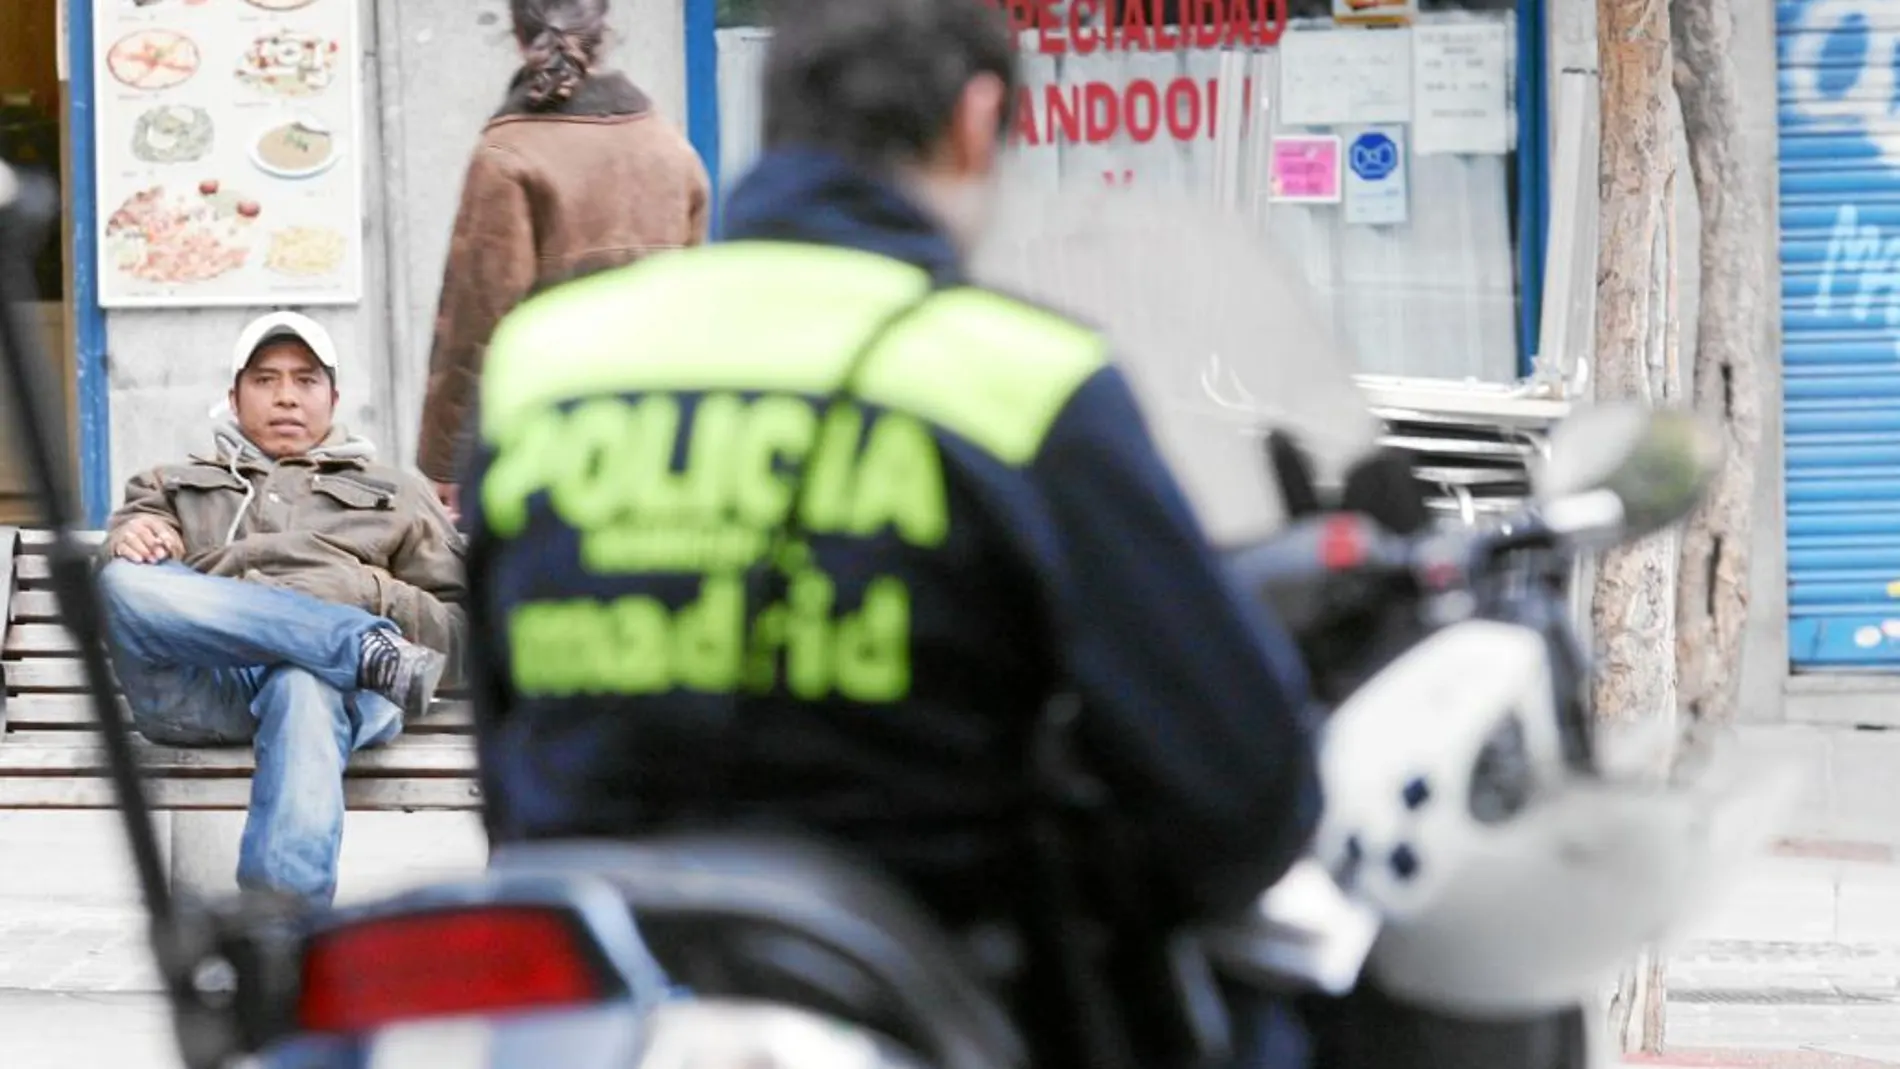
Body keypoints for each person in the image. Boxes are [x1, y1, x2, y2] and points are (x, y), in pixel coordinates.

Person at [461, 0, 1320, 1065]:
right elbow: (1240, 796)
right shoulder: (1019, 379)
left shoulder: (550, 361)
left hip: (586, 993)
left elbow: (499, 733)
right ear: (976, 118)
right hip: (926, 998)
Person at [99, 311, 464, 907]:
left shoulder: (397, 492)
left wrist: (375, 595)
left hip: (340, 694)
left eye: (305, 380)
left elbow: (463, 635)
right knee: (121, 584)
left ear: (335, 397)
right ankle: (351, 643)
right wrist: (134, 537)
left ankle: (281, 929)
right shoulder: (171, 484)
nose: (286, 397)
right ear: (234, 397)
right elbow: (133, 600)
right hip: (207, 683)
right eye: (266, 380)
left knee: (302, 682)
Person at [416, 0, 711, 519]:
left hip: (549, 446)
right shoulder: (672, 150)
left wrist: (444, 460)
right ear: (604, 32)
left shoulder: (508, 154)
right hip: (664, 444)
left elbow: (475, 322)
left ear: (516, 34)